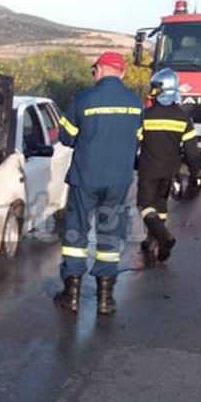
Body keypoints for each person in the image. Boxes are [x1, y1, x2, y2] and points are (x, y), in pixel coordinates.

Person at [54, 51, 144, 315]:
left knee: (75, 234)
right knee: (111, 233)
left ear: (101, 70)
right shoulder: (135, 102)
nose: (94, 74)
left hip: (86, 178)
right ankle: (106, 298)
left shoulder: (84, 99)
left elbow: (67, 138)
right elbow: (138, 137)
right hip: (118, 180)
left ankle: (71, 295)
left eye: (95, 70)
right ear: (123, 73)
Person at [137, 68, 201, 262]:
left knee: (145, 206)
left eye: (155, 88)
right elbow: (192, 151)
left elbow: (135, 142)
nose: (152, 92)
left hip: (149, 168)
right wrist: (194, 173)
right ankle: (152, 240)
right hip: (170, 170)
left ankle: (164, 237)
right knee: (161, 205)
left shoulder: (145, 115)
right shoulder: (184, 118)